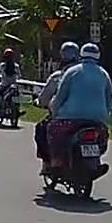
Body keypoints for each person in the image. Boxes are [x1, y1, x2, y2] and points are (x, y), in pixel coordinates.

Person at [48, 42, 112, 167]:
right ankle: (96, 159)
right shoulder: (104, 74)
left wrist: (54, 113)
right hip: (98, 120)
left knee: (52, 129)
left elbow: (60, 95)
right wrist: (105, 116)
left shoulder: (72, 72)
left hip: (71, 118)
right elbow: (109, 98)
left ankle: (57, 161)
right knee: (102, 138)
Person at [35, 41, 79, 174]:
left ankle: (48, 163)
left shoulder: (58, 76)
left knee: (42, 129)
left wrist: (41, 102)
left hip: (62, 116)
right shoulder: (84, 75)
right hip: (87, 116)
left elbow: (45, 98)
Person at [0, 48, 22, 112]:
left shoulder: (2, 65)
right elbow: (19, 76)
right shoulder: (16, 66)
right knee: (17, 94)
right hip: (13, 85)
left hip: (4, 85)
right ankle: (18, 109)